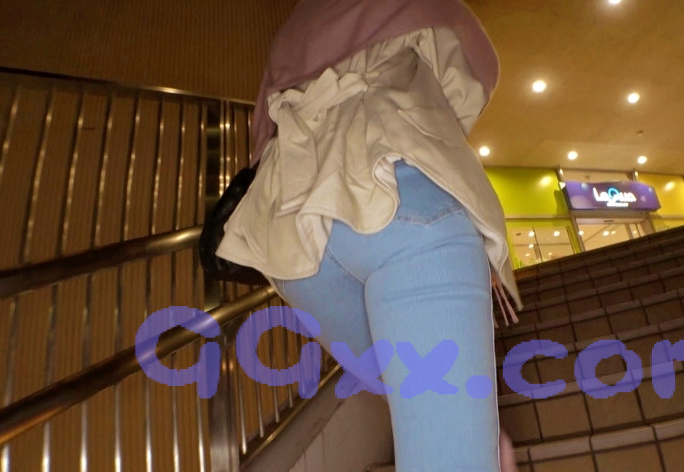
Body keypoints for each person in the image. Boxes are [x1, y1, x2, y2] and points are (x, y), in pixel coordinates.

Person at [217, 0, 522, 470]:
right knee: (446, 432)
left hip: (298, 237)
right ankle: (469, 437)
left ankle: (470, 436)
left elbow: (262, 136)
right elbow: (470, 75)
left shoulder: (295, 26)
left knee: (430, 407)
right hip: (403, 196)